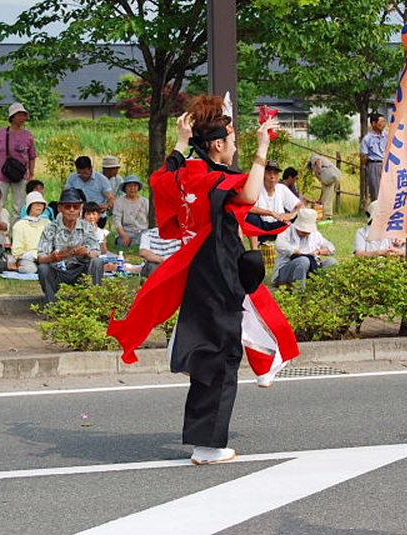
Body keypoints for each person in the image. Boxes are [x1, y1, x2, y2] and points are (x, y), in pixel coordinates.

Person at [107, 95, 300, 465]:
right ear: (217, 145)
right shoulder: (213, 176)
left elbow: (161, 178)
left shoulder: (186, 174)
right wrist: (262, 148)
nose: (235, 146)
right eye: (231, 139)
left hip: (199, 269)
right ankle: (209, 445)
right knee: (222, 352)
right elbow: (249, 192)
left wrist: (180, 141)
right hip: (218, 268)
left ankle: (263, 366)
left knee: (235, 330)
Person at [36, 188, 105, 303]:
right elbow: (41, 257)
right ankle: (52, 304)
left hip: (81, 271)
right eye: (68, 206)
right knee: (43, 268)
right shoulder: (51, 228)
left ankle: (93, 303)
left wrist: (87, 252)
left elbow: (96, 252)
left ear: (81, 208)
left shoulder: (87, 227)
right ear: (60, 208)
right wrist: (52, 258)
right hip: (59, 271)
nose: (72, 210)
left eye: (76, 207)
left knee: (97, 262)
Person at [0, 102, 37, 215]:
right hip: (1, 173)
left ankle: (15, 229)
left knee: (19, 206)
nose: (22, 117)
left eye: (23, 115)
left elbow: (32, 156)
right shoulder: (0, 132)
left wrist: (31, 174)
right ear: (12, 117)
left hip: (20, 174)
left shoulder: (28, 135)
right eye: (19, 114)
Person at [273, 207, 337, 286]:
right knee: (303, 260)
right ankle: (300, 291)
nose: (305, 234)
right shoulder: (288, 231)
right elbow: (279, 244)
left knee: (332, 262)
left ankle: (322, 288)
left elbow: (331, 248)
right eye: (303, 232)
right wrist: (296, 251)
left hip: (311, 268)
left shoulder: (315, 234)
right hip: (287, 270)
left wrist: (318, 251)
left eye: (307, 232)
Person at [247, 160, 303, 249]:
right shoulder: (257, 188)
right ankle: (255, 249)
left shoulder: (282, 188)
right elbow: (248, 207)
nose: (272, 176)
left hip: (279, 225)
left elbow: (300, 205)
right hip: (261, 226)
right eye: (269, 173)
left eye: (275, 173)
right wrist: (271, 213)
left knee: (300, 215)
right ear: (264, 174)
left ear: (278, 176)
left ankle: (296, 247)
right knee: (251, 217)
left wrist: (292, 215)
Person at [66, 156, 116, 228]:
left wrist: (107, 206)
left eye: (85, 173)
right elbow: (67, 195)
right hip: (78, 216)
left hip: (97, 217)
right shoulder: (72, 178)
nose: (83, 175)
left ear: (91, 168)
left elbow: (112, 198)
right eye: (80, 173)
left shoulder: (101, 180)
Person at [11, 191, 51, 275]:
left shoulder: (48, 223)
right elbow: (17, 252)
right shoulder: (19, 225)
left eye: (41, 204)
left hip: (46, 257)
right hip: (27, 258)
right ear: (29, 206)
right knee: (31, 269)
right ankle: (13, 266)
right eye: (36, 203)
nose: (39, 206)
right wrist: (33, 255)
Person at [112, 175, 149, 247]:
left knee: (145, 237)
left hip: (142, 231)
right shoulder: (119, 202)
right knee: (122, 242)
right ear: (125, 188)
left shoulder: (145, 201)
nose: (132, 188)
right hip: (127, 232)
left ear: (138, 187)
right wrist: (123, 235)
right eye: (129, 186)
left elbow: (150, 219)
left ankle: (136, 243)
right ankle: (135, 243)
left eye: (135, 186)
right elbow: (117, 221)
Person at [361, 111, 388, 201]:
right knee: (376, 190)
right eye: (381, 122)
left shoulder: (387, 135)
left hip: (387, 164)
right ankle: (376, 213)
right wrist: (366, 167)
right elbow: (364, 156)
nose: (383, 124)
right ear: (373, 123)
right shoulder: (367, 138)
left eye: (384, 122)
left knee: (387, 190)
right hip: (374, 165)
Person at [307, 154, 341, 220]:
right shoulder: (322, 172)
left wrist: (319, 170)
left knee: (327, 198)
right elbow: (323, 188)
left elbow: (318, 160)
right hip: (335, 176)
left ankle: (327, 216)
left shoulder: (313, 159)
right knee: (328, 197)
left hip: (330, 176)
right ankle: (327, 215)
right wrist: (320, 198)